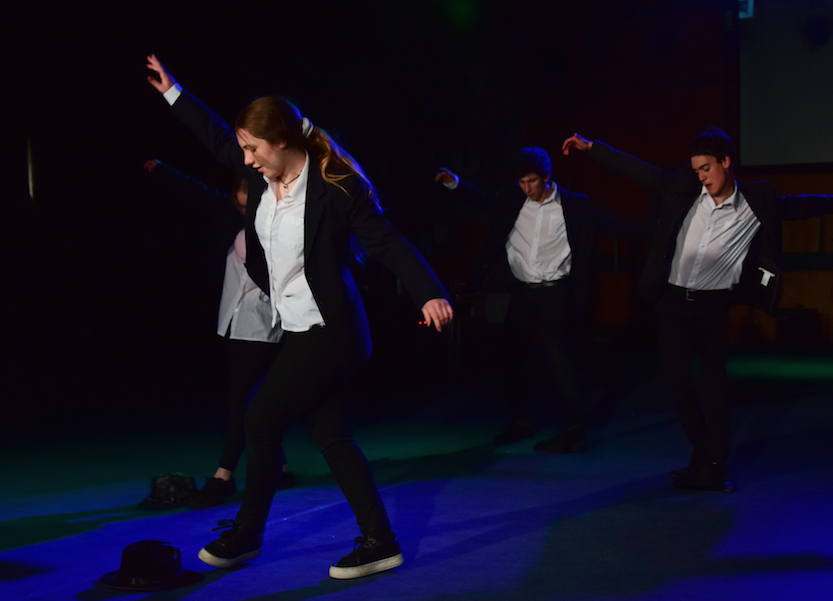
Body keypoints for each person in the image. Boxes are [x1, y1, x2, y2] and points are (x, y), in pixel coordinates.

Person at [146, 55, 453, 579]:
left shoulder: (336, 187)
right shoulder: (260, 171)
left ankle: (247, 535)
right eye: (244, 149)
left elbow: (388, 241)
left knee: (260, 416)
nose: (246, 159)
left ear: (284, 141)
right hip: (297, 328)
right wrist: (174, 92)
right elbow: (216, 135)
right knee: (330, 433)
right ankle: (380, 541)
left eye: (254, 149)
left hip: (333, 331)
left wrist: (429, 293)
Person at [562, 128, 833, 491]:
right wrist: (592, 148)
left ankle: (713, 464)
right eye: (697, 170)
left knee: (715, 388)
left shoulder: (756, 201)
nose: (702, 176)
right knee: (679, 386)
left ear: (726, 162)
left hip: (713, 307)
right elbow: (638, 170)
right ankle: (705, 456)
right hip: (671, 303)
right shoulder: (682, 188)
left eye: (707, 168)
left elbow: (798, 206)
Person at [436, 147, 651, 453]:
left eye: (532, 182)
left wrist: (664, 227)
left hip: (556, 292)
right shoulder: (512, 198)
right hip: (523, 292)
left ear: (547, 178)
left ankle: (574, 431)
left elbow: (615, 226)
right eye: (522, 182)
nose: (527, 188)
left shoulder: (574, 205)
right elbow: (484, 201)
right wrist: (455, 183)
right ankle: (521, 421)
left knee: (559, 358)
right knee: (509, 355)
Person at [143, 160, 293, 508]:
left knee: (240, 401)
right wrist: (162, 170)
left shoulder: (276, 227)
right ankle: (280, 466)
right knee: (249, 399)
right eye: (238, 205)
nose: (243, 212)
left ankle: (224, 475)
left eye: (248, 206)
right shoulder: (231, 218)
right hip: (234, 323)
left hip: (262, 327)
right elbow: (198, 193)